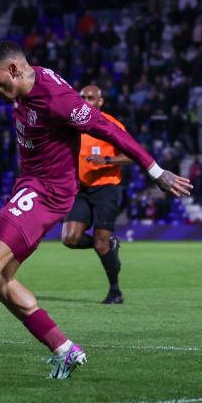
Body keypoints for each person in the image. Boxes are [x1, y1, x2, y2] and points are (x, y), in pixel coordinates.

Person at [0, 41, 190, 379]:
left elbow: (109, 130)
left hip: (48, 191)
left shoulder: (57, 100)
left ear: (12, 70)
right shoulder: (16, 80)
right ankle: (65, 350)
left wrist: (157, 172)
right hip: (32, 183)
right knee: (2, 280)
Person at [61, 85, 132, 304]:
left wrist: (107, 161)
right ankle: (108, 247)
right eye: (82, 97)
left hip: (106, 187)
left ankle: (115, 291)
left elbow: (131, 155)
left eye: (90, 98)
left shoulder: (111, 124)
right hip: (80, 189)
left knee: (101, 243)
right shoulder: (71, 125)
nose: (85, 100)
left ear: (100, 102)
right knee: (69, 238)